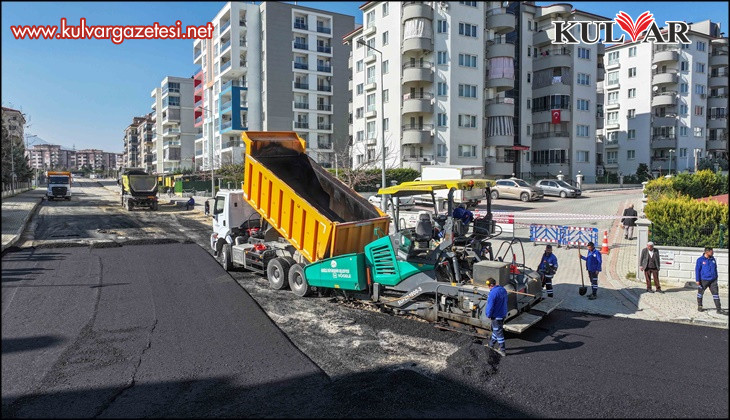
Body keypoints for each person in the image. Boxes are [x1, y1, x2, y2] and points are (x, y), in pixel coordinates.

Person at [695, 247, 724, 314]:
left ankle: (718, 309)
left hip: (713, 280)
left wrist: (716, 277)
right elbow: (697, 270)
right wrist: (697, 280)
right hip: (703, 280)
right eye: (711, 252)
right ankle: (700, 306)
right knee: (700, 293)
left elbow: (715, 268)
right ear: (707, 252)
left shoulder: (712, 259)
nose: (713, 253)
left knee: (716, 294)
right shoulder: (700, 260)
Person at [485, 277, 508, 356]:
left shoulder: (492, 293)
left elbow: (490, 306)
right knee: (496, 330)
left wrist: (488, 314)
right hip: (503, 314)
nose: (488, 287)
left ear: (491, 285)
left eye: (488, 285)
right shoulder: (503, 289)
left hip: (496, 316)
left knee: (499, 332)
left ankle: (502, 350)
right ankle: (491, 345)